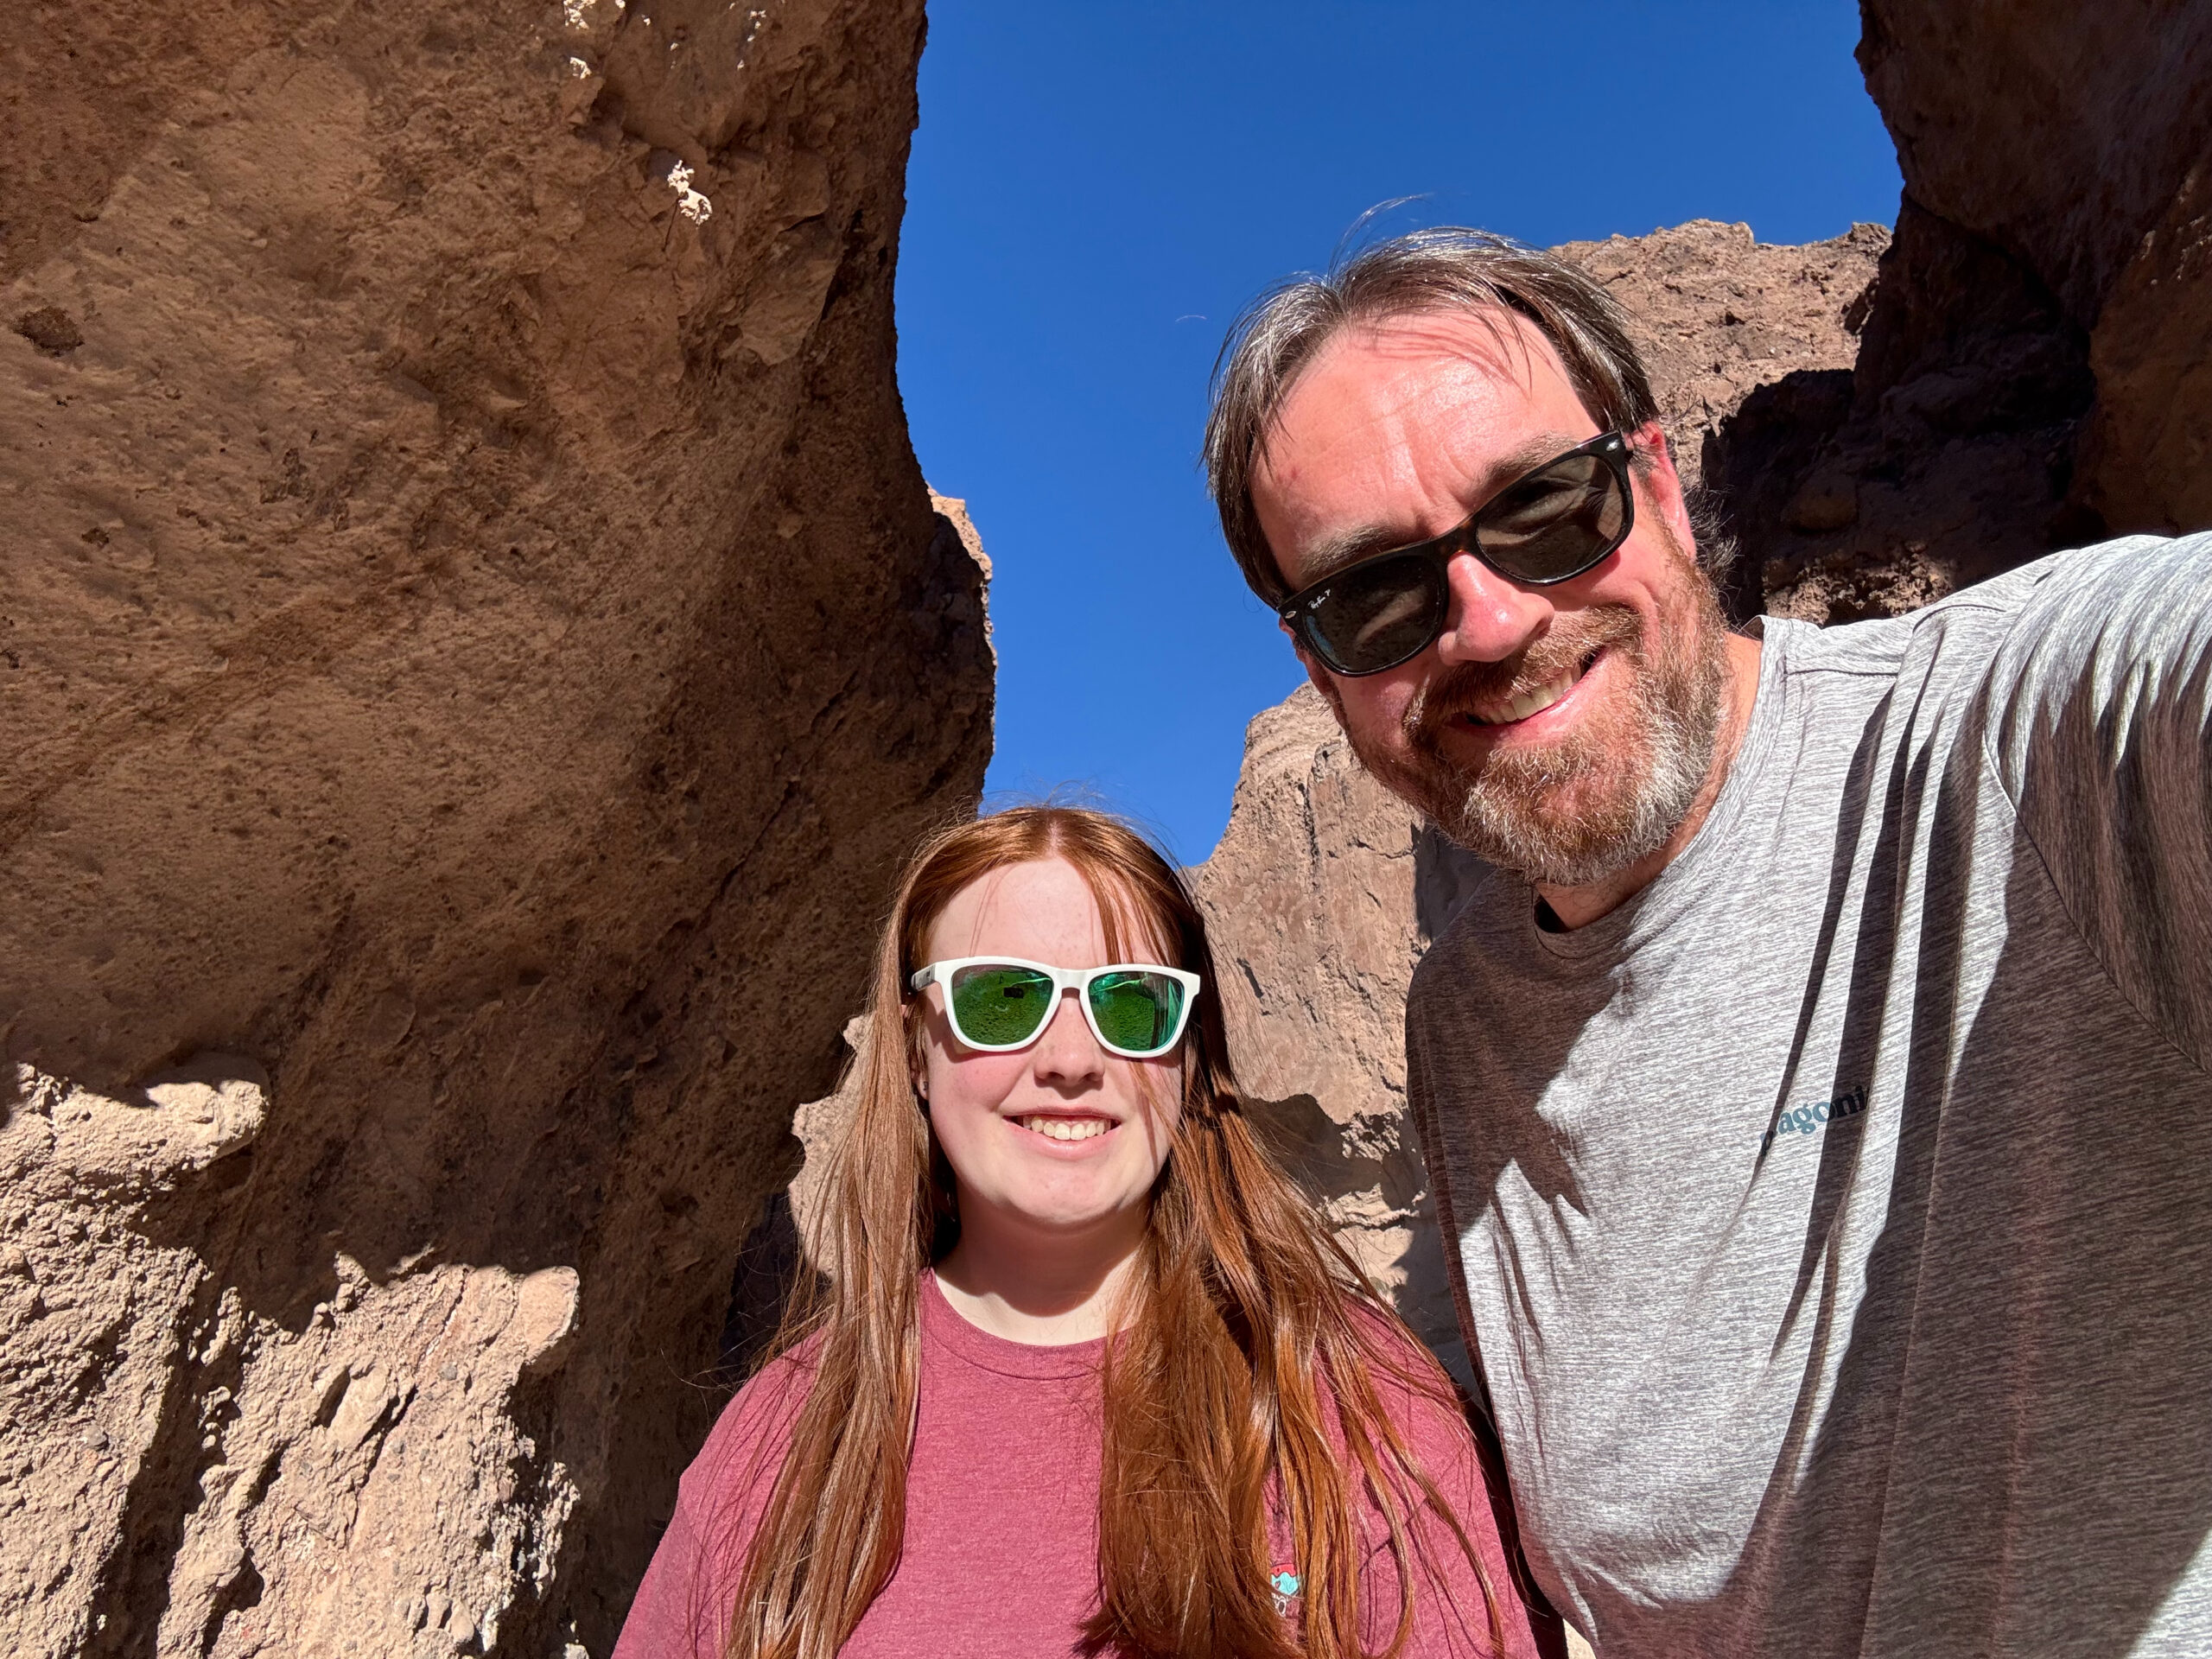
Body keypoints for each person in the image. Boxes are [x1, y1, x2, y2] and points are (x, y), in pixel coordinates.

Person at [1204, 228, 2212, 1658]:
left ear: (1656, 484)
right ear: (1325, 672)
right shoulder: (1469, 1022)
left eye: (1544, 509)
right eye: (1379, 595)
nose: (1488, 623)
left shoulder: (2023, 736)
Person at [613, 806, 1558, 1658]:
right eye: (1002, 1000)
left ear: (1188, 1057)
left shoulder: (1352, 1403)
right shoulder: (785, 1433)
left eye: (1131, 1003)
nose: (1071, 1059)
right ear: (912, 1044)